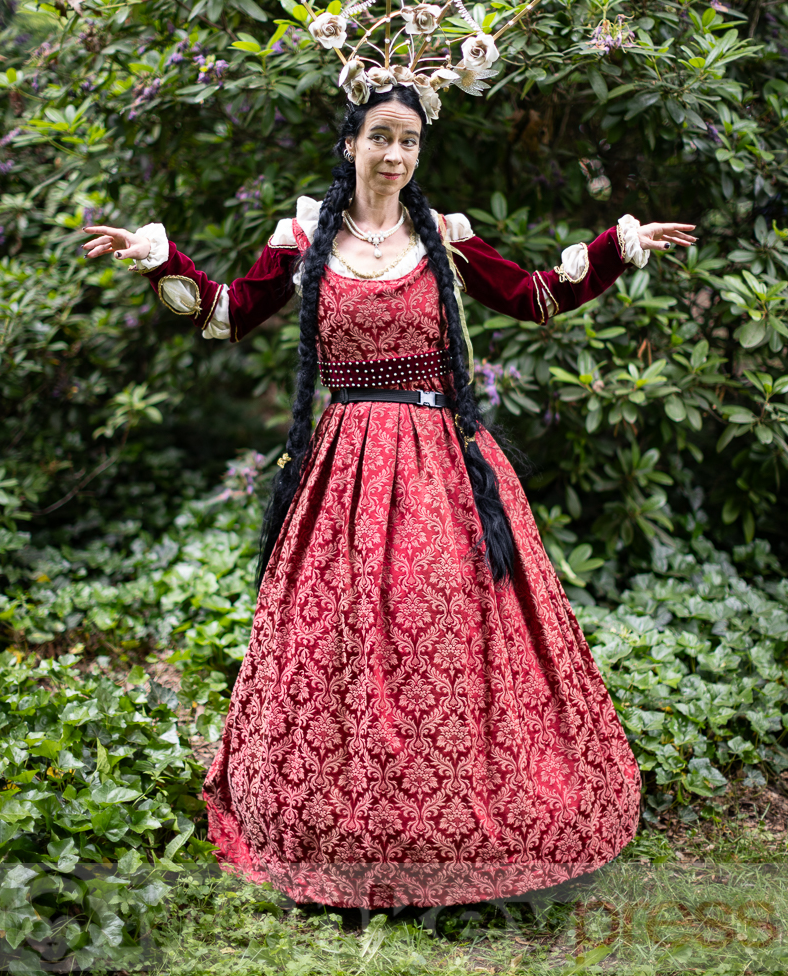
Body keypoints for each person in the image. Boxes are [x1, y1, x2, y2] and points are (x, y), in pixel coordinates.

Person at [83, 83, 697, 910]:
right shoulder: (306, 239)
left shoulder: (442, 239)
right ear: (351, 145)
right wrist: (155, 258)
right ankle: (341, 828)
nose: (396, 155)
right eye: (381, 138)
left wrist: (619, 248)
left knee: (442, 622)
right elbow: (226, 313)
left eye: (409, 141)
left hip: (444, 464)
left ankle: (462, 828)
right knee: (336, 634)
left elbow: (534, 296)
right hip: (342, 471)